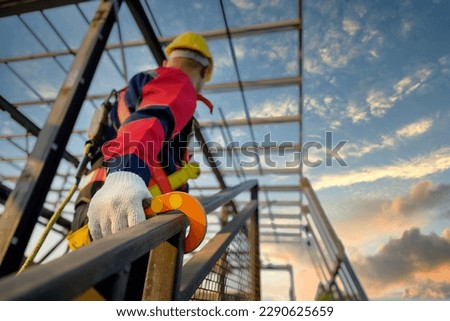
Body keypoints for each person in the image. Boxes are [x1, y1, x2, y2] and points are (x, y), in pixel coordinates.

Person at [72, 32, 214, 240]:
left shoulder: (139, 87)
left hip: (97, 204)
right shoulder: (176, 81)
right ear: (203, 71)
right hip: (129, 205)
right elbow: (149, 121)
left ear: (167, 61)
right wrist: (126, 173)